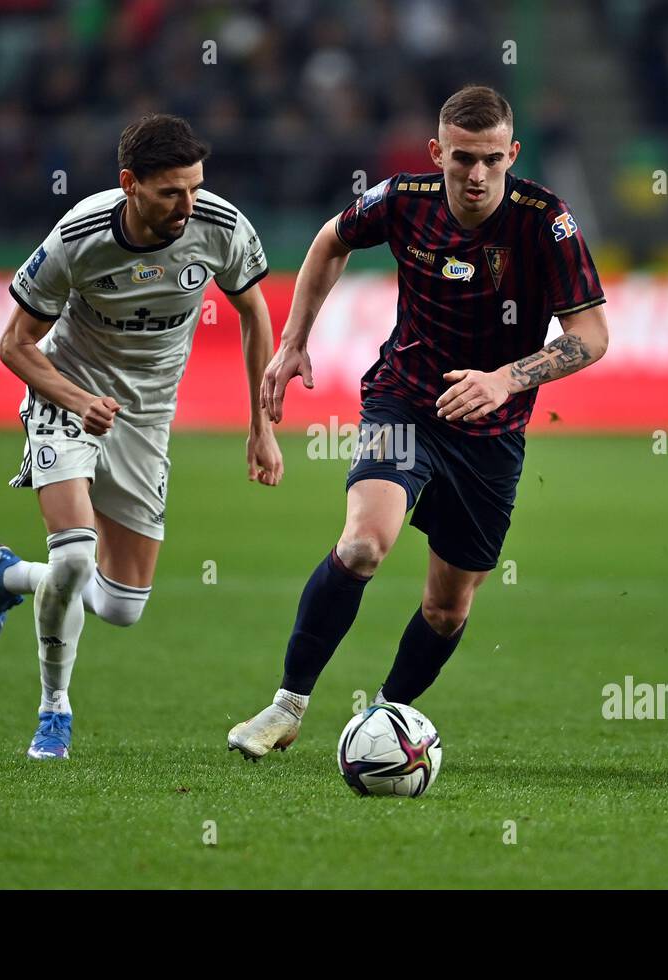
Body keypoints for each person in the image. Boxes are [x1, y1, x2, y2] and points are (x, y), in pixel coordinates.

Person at [229, 85, 608, 759]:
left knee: (447, 608)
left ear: (513, 153)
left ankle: (386, 720)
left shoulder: (546, 221)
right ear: (438, 153)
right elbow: (330, 241)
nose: (477, 174)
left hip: (492, 433)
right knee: (363, 545)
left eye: (492, 159)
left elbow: (592, 334)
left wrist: (505, 380)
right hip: (404, 401)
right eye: (462, 158)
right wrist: (293, 340)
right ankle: (287, 704)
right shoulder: (404, 199)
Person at [0, 114, 283, 759]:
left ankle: (10, 574)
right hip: (68, 396)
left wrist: (261, 423)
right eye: (171, 192)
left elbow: (255, 312)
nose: (187, 205)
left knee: (121, 607)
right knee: (77, 556)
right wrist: (77, 398)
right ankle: (54, 711)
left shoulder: (220, 227)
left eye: (195, 188)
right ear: (130, 185)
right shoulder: (79, 238)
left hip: (146, 417)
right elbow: (14, 345)